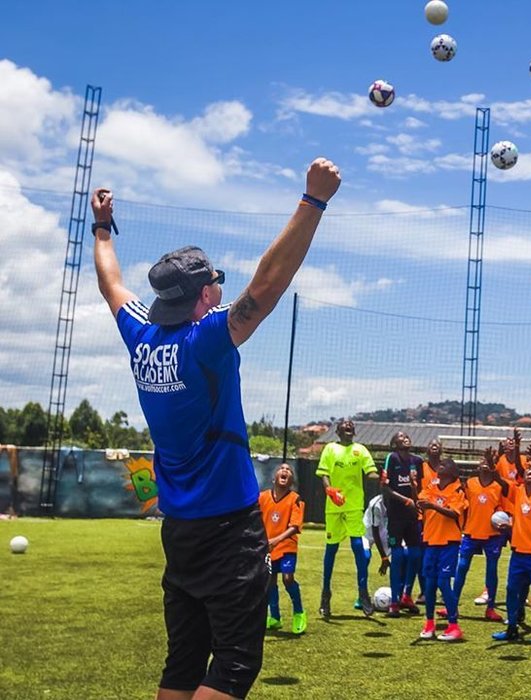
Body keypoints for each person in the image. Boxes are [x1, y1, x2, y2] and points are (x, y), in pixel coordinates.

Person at [92, 157, 341, 699]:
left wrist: (102, 228)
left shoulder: (142, 334)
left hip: (178, 531)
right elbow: (268, 287)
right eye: (214, 283)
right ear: (203, 295)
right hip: (229, 532)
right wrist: (313, 200)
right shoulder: (204, 341)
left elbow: (112, 283)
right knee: (232, 667)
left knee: (182, 664)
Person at [492, 449, 531, 645]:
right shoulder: (517, 491)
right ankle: (512, 627)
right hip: (518, 553)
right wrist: (491, 461)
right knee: (511, 590)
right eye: (528, 469)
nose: (530, 471)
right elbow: (501, 481)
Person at [316, 418, 378, 618]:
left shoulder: (361, 450)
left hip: (354, 506)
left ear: (354, 431)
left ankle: (363, 593)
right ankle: (325, 594)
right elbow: (324, 474)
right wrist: (330, 490)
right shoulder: (330, 449)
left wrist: (385, 476)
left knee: (358, 549)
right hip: (334, 507)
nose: (348, 425)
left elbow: (371, 473)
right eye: (344, 424)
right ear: (338, 431)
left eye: (351, 425)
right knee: (331, 550)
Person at [454, 437, 511, 623]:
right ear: (477, 466)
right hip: (471, 532)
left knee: (492, 570)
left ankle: (491, 608)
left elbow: (504, 507)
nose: (485, 464)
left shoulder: (499, 486)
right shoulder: (469, 483)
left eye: (489, 461)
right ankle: (452, 605)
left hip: (492, 535)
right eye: (482, 461)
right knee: (461, 567)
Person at [417, 457, 467, 641]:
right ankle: (429, 623)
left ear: (453, 472)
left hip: (449, 543)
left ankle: (454, 626)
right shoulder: (431, 487)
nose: (440, 466)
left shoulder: (458, 490)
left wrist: (433, 506)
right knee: (429, 585)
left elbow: (454, 513)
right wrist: (421, 503)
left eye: (445, 465)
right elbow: (421, 500)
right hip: (430, 541)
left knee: (443, 583)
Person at [259, 463, 307, 635]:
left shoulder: (296, 499)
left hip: (287, 546)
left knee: (287, 579)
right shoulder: (262, 497)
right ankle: (275, 617)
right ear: (274, 478)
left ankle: (299, 613)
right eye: (282, 468)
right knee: (270, 581)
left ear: (291, 480)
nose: (285, 471)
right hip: (269, 548)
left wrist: (276, 540)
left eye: (289, 470)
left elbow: (295, 526)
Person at [382, 432, 424, 617]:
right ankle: (393, 601)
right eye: (400, 436)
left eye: (407, 435)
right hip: (396, 515)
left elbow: (419, 488)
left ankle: (407, 594)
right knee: (397, 555)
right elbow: (385, 487)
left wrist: (415, 497)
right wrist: (406, 500)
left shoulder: (418, 461)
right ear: (393, 444)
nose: (405, 437)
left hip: (413, 516)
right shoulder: (391, 459)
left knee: (415, 554)